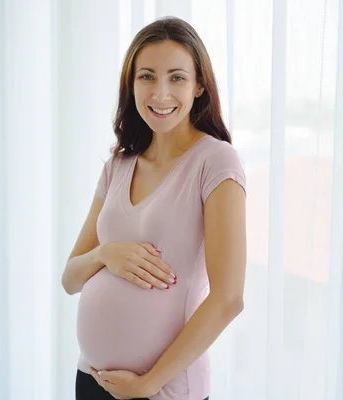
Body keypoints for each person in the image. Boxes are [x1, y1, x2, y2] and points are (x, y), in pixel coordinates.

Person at [61, 16, 247, 400]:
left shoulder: (215, 162)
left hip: (164, 390)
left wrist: (148, 383)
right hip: (91, 380)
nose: (160, 93)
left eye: (176, 77)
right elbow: (70, 278)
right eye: (147, 76)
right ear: (132, 85)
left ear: (199, 86)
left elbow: (228, 298)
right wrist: (105, 253)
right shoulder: (118, 165)